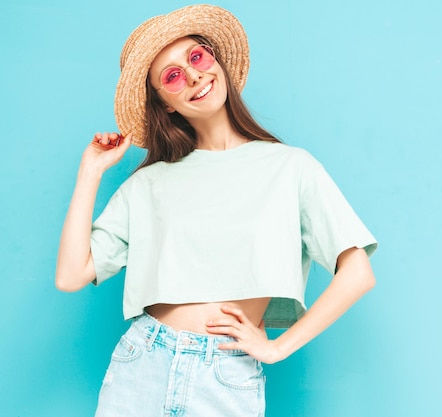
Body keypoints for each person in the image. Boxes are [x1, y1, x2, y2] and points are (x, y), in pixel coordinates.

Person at [56, 4, 377, 416]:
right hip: (143, 363)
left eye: (197, 56)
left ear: (217, 61)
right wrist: (91, 170)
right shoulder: (149, 183)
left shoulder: (289, 167)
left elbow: (358, 272)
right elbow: (69, 275)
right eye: (171, 76)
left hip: (227, 374)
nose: (192, 76)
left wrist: (278, 347)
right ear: (165, 104)